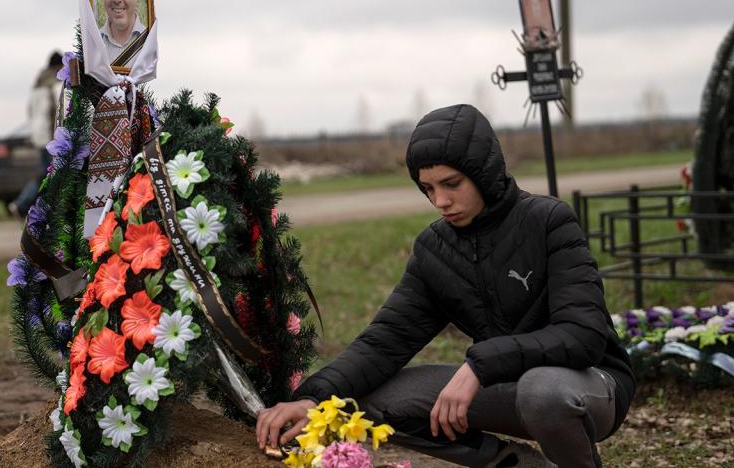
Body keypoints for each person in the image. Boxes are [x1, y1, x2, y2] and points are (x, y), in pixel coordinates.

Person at [256, 104, 634, 468]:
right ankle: (517, 465)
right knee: (373, 402)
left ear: (484, 173)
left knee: (543, 390)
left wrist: (480, 366)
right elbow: (385, 341)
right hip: (502, 385)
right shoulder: (435, 249)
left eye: (451, 184)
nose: (440, 201)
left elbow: (582, 336)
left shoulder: (549, 221)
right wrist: (314, 398)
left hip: (589, 386)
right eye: (428, 189)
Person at [8, 52, 62, 218]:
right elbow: (58, 110)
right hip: (49, 137)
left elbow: (31, 112)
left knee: (47, 174)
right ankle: (23, 204)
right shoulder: (54, 84)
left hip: (39, 137)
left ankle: (32, 207)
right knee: (50, 174)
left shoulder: (37, 85)